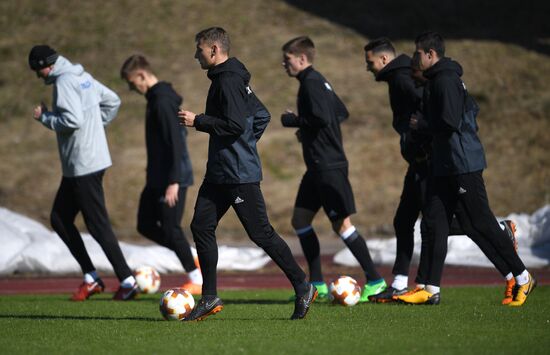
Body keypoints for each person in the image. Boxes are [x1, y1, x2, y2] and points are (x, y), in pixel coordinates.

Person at [363, 38, 519, 304]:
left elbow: (434, 112)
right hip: (422, 160)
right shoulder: (401, 77)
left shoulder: (403, 79)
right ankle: (406, 284)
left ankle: (502, 244)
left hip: (430, 162)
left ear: (384, 60)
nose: (367, 68)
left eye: (369, 62)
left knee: (450, 223)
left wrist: (420, 132)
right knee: (412, 221)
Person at [178, 27, 316, 321]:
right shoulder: (230, 77)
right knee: (201, 227)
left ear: (214, 50)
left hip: (237, 174)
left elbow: (234, 124)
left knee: (260, 233)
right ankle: (210, 296)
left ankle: (303, 285)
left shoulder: (228, 80)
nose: (195, 55)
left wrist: (197, 120)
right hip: (219, 172)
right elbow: (261, 116)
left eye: (199, 50)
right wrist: (245, 144)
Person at [397, 32, 535, 306]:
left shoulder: (446, 80)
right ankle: (429, 288)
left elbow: (448, 122)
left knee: (479, 221)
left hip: (462, 163)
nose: (415, 59)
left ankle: (522, 276)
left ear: (430, 55)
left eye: (417, 54)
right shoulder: (440, 79)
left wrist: (421, 125)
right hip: (445, 164)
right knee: (433, 221)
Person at [280, 36, 386, 302]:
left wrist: (295, 121)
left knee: (342, 225)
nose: (284, 64)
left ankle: (375, 281)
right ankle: (317, 284)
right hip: (316, 166)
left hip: (328, 166)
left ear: (302, 59)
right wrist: (315, 134)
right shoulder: (318, 81)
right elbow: (341, 113)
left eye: (287, 59)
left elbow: (323, 118)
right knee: (300, 221)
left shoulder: (311, 84)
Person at [28, 45, 138, 301]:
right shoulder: (82, 76)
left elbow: (73, 121)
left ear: (47, 64)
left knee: (97, 225)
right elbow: (113, 100)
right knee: (60, 218)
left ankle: (127, 280)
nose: (38, 75)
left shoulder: (65, 82)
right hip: (87, 163)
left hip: (83, 165)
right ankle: (91, 277)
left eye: (37, 69)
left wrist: (46, 117)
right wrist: (95, 129)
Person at [120, 55, 202, 294]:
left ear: (142, 75)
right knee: (144, 224)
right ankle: (190, 256)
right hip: (156, 176)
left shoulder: (163, 100)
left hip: (172, 177)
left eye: (132, 82)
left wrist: (174, 181)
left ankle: (197, 278)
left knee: (171, 227)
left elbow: (176, 142)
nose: (132, 88)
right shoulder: (154, 99)